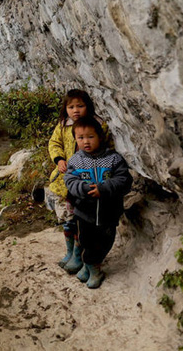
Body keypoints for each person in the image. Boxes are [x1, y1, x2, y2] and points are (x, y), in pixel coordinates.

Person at [64, 116, 133, 288]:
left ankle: (92, 265)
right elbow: (70, 181)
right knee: (86, 241)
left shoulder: (113, 159)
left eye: (90, 137)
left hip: (108, 211)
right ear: (75, 139)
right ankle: (92, 268)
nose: (85, 141)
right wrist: (84, 188)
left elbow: (124, 179)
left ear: (100, 137)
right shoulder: (76, 160)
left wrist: (103, 188)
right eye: (80, 138)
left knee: (105, 241)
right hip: (84, 212)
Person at [46, 89, 110, 274]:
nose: (75, 111)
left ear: (88, 106)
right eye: (71, 106)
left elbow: (106, 147)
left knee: (80, 220)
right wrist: (59, 160)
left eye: (80, 106)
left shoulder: (97, 125)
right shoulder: (63, 125)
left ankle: (78, 254)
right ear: (65, 108)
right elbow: (54, 143)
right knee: (68, 219)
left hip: (86, 179)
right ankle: (70, 253)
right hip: (65, 180)